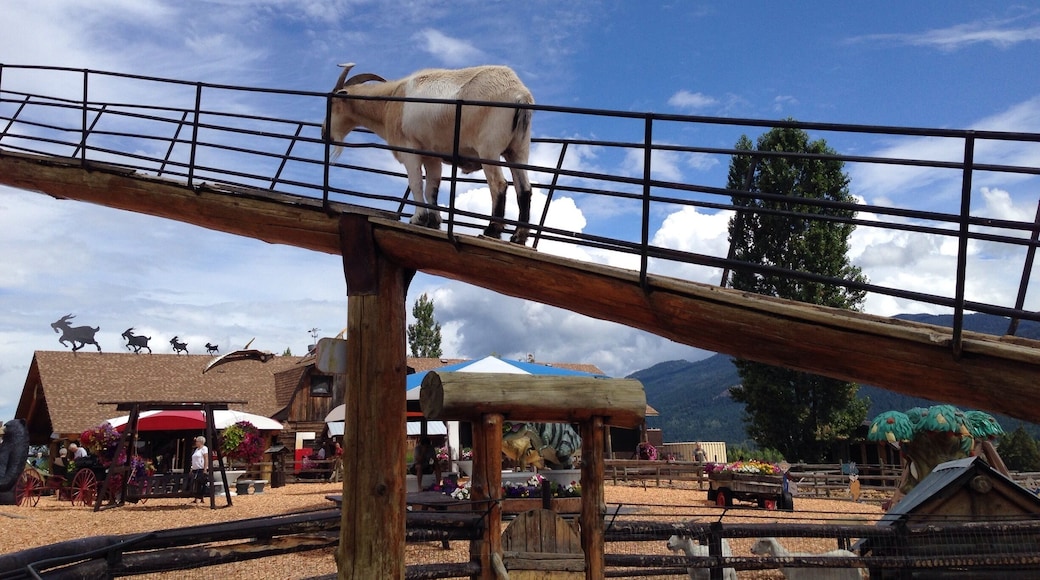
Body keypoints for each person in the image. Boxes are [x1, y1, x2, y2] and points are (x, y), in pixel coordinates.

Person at [190, 435, 209, 504]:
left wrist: (205, 468)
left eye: (197, 441)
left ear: (200, 442)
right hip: (195, 468)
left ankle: (201, 498)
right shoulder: (196, 449)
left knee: (201, 483)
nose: (196, 443)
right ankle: (196, 498)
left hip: (201, 468)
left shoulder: (204, 448)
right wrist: (192, 468)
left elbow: (206, 458)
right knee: (195, 483)